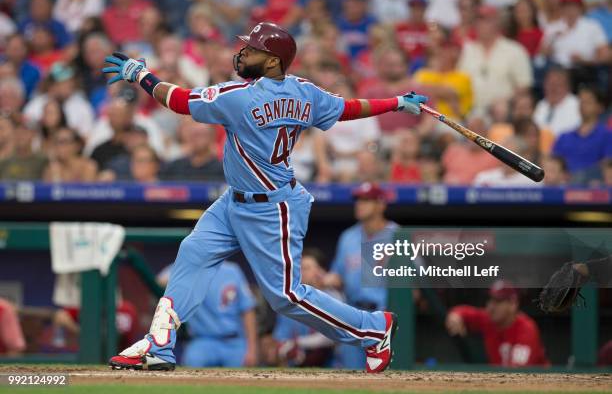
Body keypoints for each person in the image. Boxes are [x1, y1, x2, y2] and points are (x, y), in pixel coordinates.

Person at [104, 21, 427, 373]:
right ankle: (159, 345)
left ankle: (373, 328)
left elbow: (179, 101)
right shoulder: (304, 90)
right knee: (193, 253)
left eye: (253, 49)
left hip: (273, 208)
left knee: (285, 297)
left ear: (273, 61)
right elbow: (347, 107)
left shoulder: (241, 96)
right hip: (233, 202)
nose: (243, 53)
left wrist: (141, 75)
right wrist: (395, 102)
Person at [323, 182, 398, 369]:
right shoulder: (348, 237)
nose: (359, 204)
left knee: (388, 380)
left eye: (366, 200)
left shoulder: (397, 235)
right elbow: (338, 276)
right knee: (353, 377)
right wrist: (328, 279)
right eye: (358, 200)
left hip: (384, 318)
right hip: (354, 318)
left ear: (381, 204)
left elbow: (416, 281)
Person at [157, 261, 258, 368]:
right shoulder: (189, 266)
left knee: (243, 375)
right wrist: (188, 273)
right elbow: (161, 281)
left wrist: (252, 349)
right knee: (192, 364)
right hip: (202, 340)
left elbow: (248, 310)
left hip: (233, 341)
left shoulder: (232, 270)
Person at [446, 280, 549, 367]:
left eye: (498, 301)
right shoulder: (488, 319)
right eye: (490, 300)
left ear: (513, 304)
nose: (491, 306)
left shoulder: (526, 328)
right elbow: (461, 311)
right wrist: (455, 317)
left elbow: (518, 373)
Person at [268, 249, 336, 367]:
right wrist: (285, 349)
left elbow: (331, 338)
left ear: (321, 271)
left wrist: (298, 343)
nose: (302, 273)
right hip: (297, 364)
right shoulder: (289, 300)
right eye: (300, 268)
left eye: (307, 268)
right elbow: (280, 339)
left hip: (332, 362)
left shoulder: (333, 296)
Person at [552, 87, 612, 184]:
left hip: (594, 187)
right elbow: (553, 162)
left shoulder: (607, 136)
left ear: (599, 107)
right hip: (564, 187)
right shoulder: (564, 137)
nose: (583, 105)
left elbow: (608, 165)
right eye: (581, 101)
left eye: (588, 102)